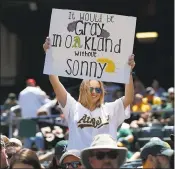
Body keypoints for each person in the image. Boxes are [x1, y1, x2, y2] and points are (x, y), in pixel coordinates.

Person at [43, 37, 135, 150]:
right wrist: (49, 56)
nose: (94, 92)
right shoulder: (72, 107)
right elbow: (55, 82)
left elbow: (129, 98)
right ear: (83, 90)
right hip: (79, 163)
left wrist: (128, 72)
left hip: (104, 160)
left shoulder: (111, 108)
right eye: (90, 89)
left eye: (98, 89)